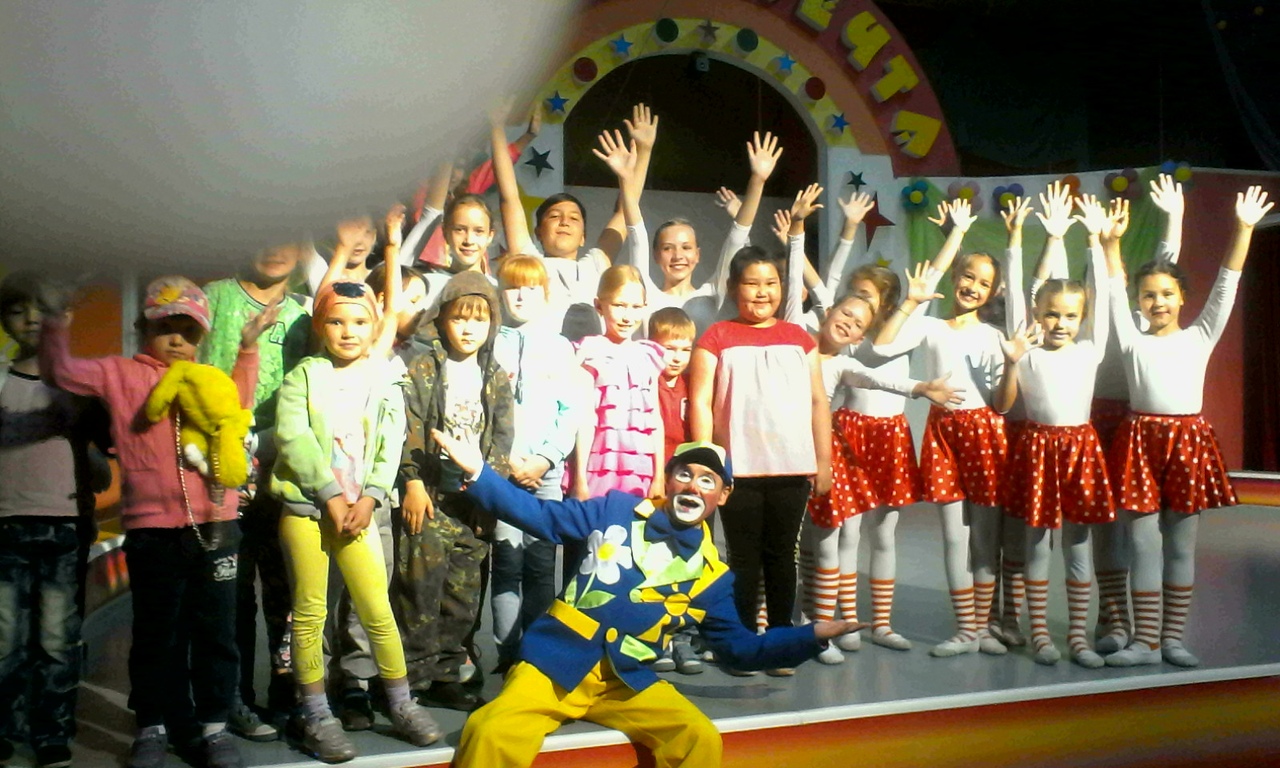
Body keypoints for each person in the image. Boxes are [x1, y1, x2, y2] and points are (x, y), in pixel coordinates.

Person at [435, 436, 861, 767]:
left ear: (723, 495)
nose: (693, 486)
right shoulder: (616, 511)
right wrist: (480, 473)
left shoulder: (713, 578)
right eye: (685, 474)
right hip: (554, 665)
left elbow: (740, 649)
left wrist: (811, 636)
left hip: (624, 681)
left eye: (708, 480)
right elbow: (544, 518)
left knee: (698, 738)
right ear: (668, 479)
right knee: (490, 732)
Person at [40, 276, 266, 768]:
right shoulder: (120, 374)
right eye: (166, 328)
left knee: (217, 633)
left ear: (201, 336)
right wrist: (57, 321)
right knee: (156, 635)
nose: (178, 339)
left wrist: (248, 350)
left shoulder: (208, 377)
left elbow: (237, 405)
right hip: (152, 531)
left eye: (189, 330)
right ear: (144, 329)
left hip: (217, 525)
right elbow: (60, 371)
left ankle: (213, 727)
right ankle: (153, 725)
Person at [269, 280, 442, 762]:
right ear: (320, 326)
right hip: (307, 512)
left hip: (361, 514)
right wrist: (329, 496)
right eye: (337, 321)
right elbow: (293, 437)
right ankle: (316, 714)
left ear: (374, 326)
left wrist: (370, 497)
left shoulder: (384, 377)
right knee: (310, 613)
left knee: (376, 610)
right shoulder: (303, 377)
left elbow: (391, 441)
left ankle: (401, 703)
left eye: (360, 321)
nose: (349, 331)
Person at [1103, 185, 1272, 668]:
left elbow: (1226, 284)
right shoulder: (1131, 338)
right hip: (1139, 441)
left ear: (1181, 297)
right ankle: (1144, 641)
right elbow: (1113, 288)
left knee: (1181, 545)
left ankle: (1172, 639)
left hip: (1186, 442)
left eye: (1166, 293)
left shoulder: (1201, 335)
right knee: (1143, 544)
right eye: (1148, 295)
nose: (1157, 301)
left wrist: (1243, 230)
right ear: (1138, 301)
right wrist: (1111, 245)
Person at [873, 199, 1010, 658]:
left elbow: (1002, 400)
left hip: (986, 435)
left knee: (985, 538)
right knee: (955, 536)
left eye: (984, 283)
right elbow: (884, 342)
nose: (973, 287)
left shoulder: (995, 337)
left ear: (994, 291)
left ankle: (983, 627)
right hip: (943, 434)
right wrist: (953, 239)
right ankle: (966, 629)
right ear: (955, 279)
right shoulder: (931, 327)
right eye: (968, 277)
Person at [688, 243, 831, 674]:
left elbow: (818, 402)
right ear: (734, 287)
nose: (762, 291)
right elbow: (700, 402)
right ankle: (744, 643)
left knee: (783, 556)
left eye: (771, 283)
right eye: (752, 283)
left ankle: (781, 641)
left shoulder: (799, 339)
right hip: (738, 470)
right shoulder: (715, 337)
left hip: (792, 468)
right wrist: (706, 464)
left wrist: (823, 462)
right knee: (743, 559)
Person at [806, 291, 964, 664]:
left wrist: (921, 388)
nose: (849, 322)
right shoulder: (798, 343)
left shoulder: (845, 362)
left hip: (831, 451)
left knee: (840, 540)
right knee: (812, 543)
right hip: (796, 451)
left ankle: (844, 628)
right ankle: (804, 626)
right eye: (846, 312)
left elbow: (875, 377)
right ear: (829, 310)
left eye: (859, 322)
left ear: (861, 334)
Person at [994, 194, 1115, 668]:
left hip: (1080, 450)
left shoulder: (1090, 350)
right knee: (1037, 544)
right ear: (1036, 313)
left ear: (1081, 319)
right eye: (1051, 314)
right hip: (1038, 449)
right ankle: (1040, 633)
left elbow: (1101, 295)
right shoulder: (1027, 349)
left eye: (1069, 315)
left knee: (1078, 544)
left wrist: (1094, 241)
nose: (1060, 323)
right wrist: (1015, 238)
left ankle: (1078, 637)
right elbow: (1016, 290)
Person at [200, 240, 310, 735]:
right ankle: (232, 698)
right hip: (221, 473)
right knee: (232, 592)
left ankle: (289, 695)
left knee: (286, 590)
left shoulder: (305, 315)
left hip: (287, 472)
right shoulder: (213, 298)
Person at [0, 272, 110, 768]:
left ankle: (52, 732)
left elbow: (107, 452)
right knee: (5, 635)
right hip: (4, 524)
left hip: (64, 524)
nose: (30, 319)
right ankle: (7, 727)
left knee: (55, 636)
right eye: (17, 309)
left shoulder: (79, 385)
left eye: (40, 309)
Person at [395, 271, 514, 711]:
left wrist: (489, 495)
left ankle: (447, 675)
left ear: (492, 324)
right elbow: (407, 428)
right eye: (459, 318)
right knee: (418, 591)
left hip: (472, 506)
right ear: (442, 320)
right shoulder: (424, 368)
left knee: (463, 596)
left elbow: (502, 438)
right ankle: (410, 680)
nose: (468, 328)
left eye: (479, 319)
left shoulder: (495, 376)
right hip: (429, 500)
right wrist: (412, 481)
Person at [1090, 174, 1186, 654]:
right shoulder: (1088, 308)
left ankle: (1149, 630)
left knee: (1142, 532)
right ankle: (1113, 619)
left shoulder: (1140, 316)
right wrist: (1096, 239)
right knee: (1106, 528)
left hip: (1135, 421)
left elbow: (1167, 266)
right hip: (1095, 420)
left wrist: (1174, 216)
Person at [490, 255, 581, 676]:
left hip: (545, 474)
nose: (521, 295)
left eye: (530, 288)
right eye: (512, 286)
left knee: (542, 565)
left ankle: (537, 658)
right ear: (500, 291)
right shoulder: (490, 343)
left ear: (545, 294)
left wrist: (545, 459)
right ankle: (508, 656)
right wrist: (507, 460)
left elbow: (570, 411)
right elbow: (482, 411)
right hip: (502, 473)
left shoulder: (559, 347)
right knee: (506, 564)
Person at [571, 264, 665, 501]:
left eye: (635, 307)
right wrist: (580, 479)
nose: (627, 316)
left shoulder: (648, 355)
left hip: (640, 468)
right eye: (619, 305)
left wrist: (659, 477)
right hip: (599, 466)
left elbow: (654, 419)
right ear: (599, 306)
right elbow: (585, 419)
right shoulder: (590, 351)